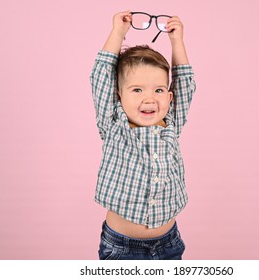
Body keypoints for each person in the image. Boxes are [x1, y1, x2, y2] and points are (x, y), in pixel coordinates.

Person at [90, 10, 196, 260]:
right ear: (119, 95)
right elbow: (100, 78)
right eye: (137, 89)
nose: (149, 98)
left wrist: (176, 41)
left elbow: (184, 83)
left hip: (169, 243)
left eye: (159, 90)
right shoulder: (115, 125)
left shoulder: (171, 124)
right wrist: (118, 32)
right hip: (121, 247)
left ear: (169, 97)